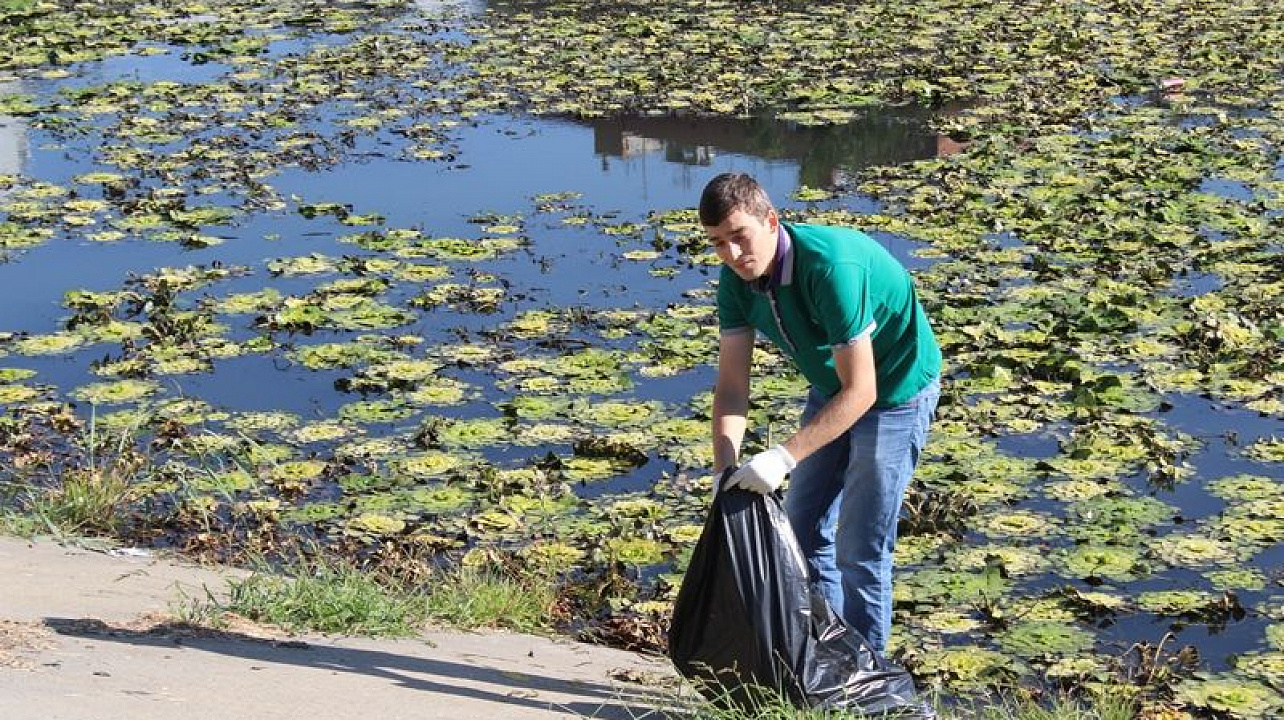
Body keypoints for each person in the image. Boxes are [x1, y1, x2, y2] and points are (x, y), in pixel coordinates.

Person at [702, 172, 941, 653]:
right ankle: (830, 656)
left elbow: (863, 392)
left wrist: (782, 457)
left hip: (895, 392)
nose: (731, 254)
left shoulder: (831, 268)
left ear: (770, 221)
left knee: (860, 549)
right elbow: (731, 388)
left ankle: (865, 678)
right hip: (833, 387)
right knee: (801, 530)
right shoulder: (735, 282)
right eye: (717, 243)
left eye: (739, 236)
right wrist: (723, 466)